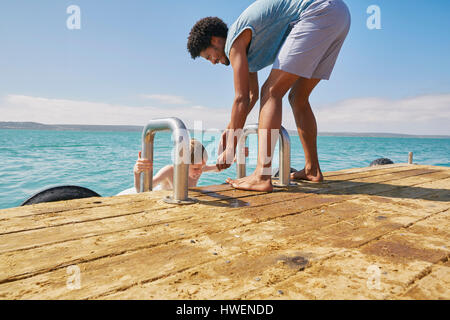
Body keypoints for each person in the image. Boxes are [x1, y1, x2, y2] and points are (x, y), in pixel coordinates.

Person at [187, 0, 351, 192]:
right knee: (297, 97)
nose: (213, 62)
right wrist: (230, 129)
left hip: (318, 10)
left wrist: (231, 146)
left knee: (272, 92)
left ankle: (261, 176)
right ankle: (312, 169)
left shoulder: (234, 41)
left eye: (209, 56)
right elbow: (251, 95)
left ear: (215, 41)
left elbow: (241, 99)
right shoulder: (245, 48)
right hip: (339, 15)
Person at [116, 139, 247, 195]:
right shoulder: (170, 171)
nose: (200, 171)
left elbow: (217, 168)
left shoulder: (198, 169)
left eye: (202, 167)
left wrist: (234, 159)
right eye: (196, 168)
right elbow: (142, 190)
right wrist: (137, 172)